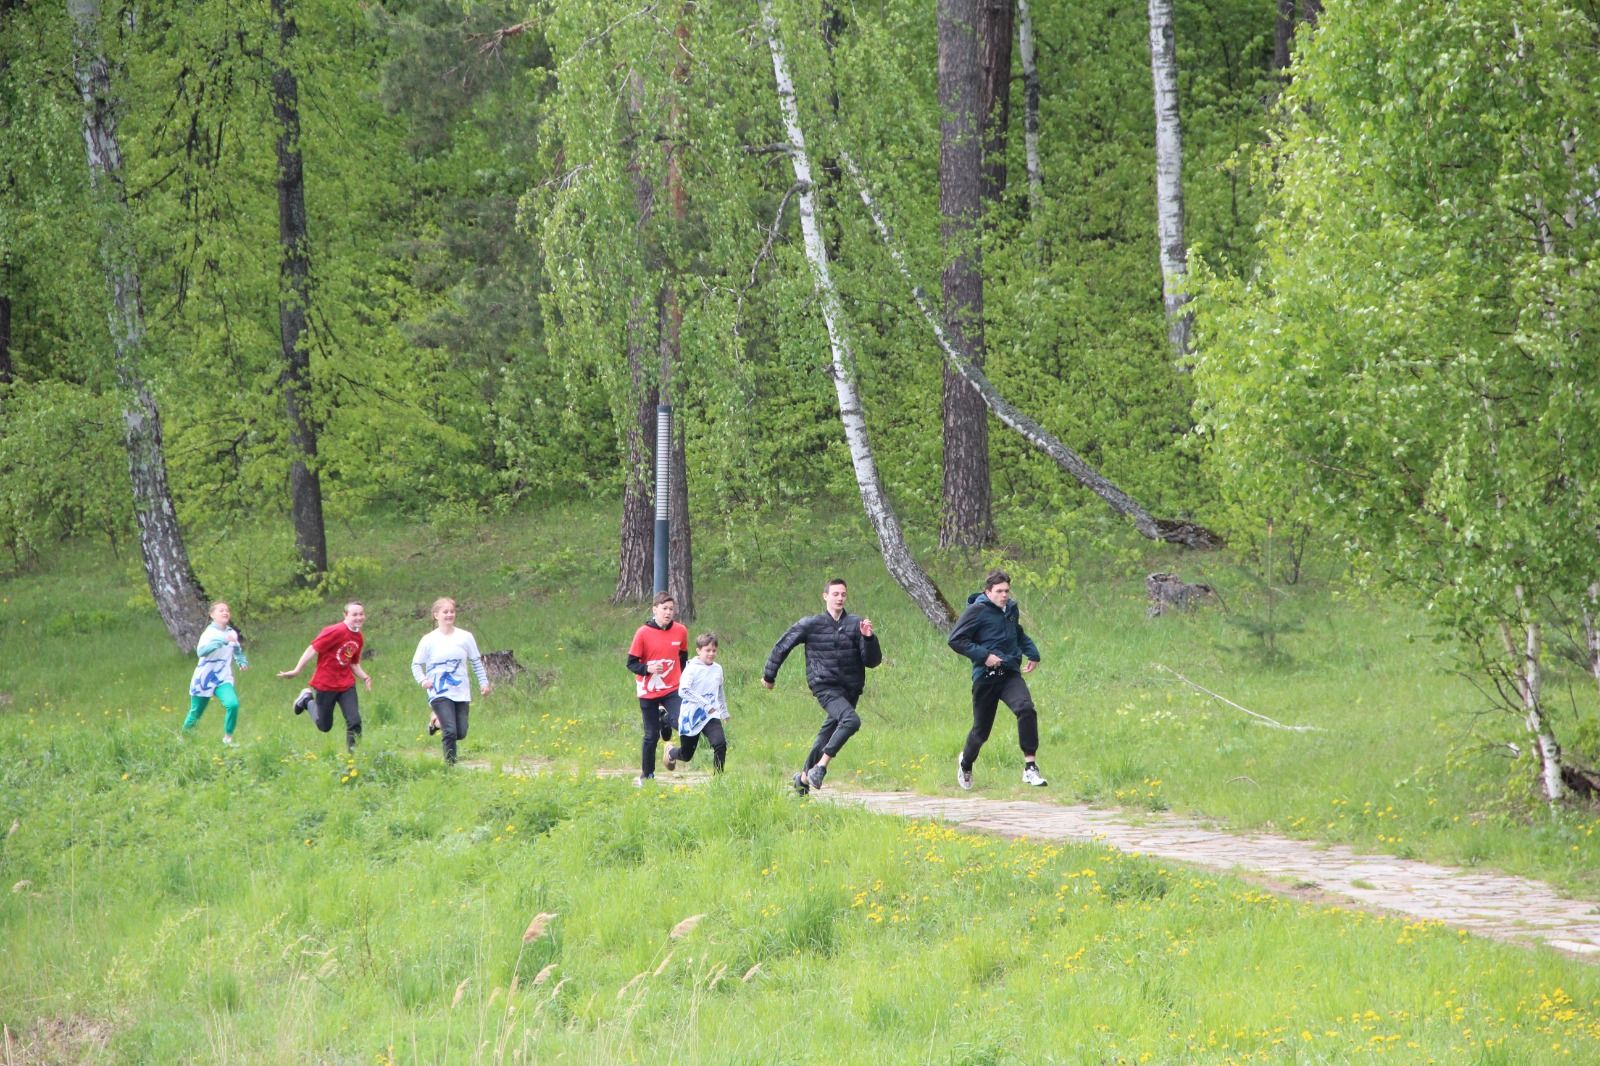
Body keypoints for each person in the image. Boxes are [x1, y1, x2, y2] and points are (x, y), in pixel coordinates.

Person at [762, 577, 880, 794]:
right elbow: (783, 645)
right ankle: (821, 767)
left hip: (851, 688)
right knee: (851, 721)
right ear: (825, 596)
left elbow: (872, 662)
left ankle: (803, 780)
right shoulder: (811, 624)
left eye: (843, 594)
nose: (840, 598)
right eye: (835, 594)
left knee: (827, 733)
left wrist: (869, 638)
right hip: (824, 685)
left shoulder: (856, 624)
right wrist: (769, 676)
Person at [947, 569, 1048, 789]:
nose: (1004, 595)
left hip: (1010, 672)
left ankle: (1030, 768)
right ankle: (965, 763)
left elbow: (1017, 633)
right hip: (986, 676)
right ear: (988, 591)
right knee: (981, 732)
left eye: (1007, 591)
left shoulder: (1011, 609)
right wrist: (985, 656)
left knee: (1026, 709)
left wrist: (1032, 652)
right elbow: (956, 640)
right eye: (999, 591)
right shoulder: (977, 610)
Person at [279, 601, 372, 752]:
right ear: (345, 615)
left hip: (346, 685)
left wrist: (365, 677)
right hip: (326, 684)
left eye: (361, 614)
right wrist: (296, 670)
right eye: (354, 614)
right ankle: (307, 700)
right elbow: (312, 649)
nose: (359, 617)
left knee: (355, 721)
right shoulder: (335, 631)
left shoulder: (358, 637)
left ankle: (353, 759)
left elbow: (353, 663)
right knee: (324, 726)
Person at [410, 597, 492, 765]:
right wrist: (423, 680)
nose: (449, 615)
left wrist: (484, 683)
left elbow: (476, 662)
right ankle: (450, 766)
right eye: (445, 612)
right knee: (450, 731)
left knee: (461, 732)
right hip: (438, 690)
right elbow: (416, 664)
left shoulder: (465, 637)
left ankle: (435, 721)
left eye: (452, 611)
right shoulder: (428, 639)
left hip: (461, 690)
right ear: (436, 615)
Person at [626, 591, 688, 785]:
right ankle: (647, 776)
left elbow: (683, 657)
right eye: (664, 609)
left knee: (682, 722)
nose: (668, 613)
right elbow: (631, 663)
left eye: (671, 609)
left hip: (672, 687)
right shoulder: (643, 633)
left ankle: (666, 721)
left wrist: (685, 679)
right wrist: (648, 668)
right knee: (651, 735)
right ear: (655, 610)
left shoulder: (681, 631)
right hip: (648, 689)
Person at [183, 601, 248, 745]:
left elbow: (236, 650)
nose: (225, 613)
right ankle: (184, 740)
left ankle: (228, 739)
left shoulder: (231, 632)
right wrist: (221, 640)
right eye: (221, 610)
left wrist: (241, 662)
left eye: (227, 610)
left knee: (233, 704)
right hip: (204, 679)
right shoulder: (209, 633)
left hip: (223, 677)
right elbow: (201, 651)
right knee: (196, 713)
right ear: (212, 615)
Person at [666, 632, 728, 773]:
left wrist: (724, 711)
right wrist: (704, 703)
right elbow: (683, 691)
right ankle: (671, 752)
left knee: (720, 744)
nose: (711, 654)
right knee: (686, 755)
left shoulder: (717, 669)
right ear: (699, 651)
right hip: (691, 716)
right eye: (707, 650)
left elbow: (720, 690)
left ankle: (718, 780)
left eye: (714, 650)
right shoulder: (691, 669)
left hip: (710, 715)